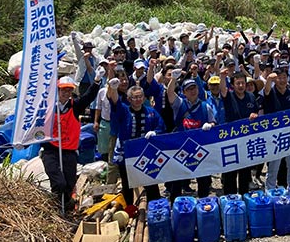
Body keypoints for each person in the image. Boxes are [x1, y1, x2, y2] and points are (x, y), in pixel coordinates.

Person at [42, 75, 99, 210]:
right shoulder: (48, 107)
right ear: (57, 91)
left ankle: (66, 206)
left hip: (68, 150)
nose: (66, 93)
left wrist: (96, 82)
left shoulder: (75, 106)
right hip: (51, 149)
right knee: (59, 183)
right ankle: (56, 206)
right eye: (63, 90)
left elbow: (88, 97)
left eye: (69, 90)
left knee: (69, 184)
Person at [108, 81, 165, 205]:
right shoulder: (124, 111)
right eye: (134, 97)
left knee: (150, 181)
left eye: (140, 96)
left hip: (146, 154)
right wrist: (113, 88)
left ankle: (155, 208)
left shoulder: (151, 112)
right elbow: (115, 102)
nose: (138, 99)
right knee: (127, 183)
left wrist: (155, 132)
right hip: (126, 153)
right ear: (129, 99)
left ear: (144, 97)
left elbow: (161, 126)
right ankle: (129, 209)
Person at [165, 71, 216, 199]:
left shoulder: (206, 107)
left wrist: (210, 125)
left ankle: (203, 204)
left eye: (194, 88)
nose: (192, 91)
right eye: (189, 89)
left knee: (203, 180)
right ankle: (176, 205)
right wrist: (173, 79)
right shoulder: (179, 104)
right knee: (177, 179)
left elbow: (213, 123)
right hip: (181, 148)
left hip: (200, 148)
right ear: (184, 92)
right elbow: (170, 93)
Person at [219, 70, 259, 194]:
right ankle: (229, 199)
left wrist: (255, 115)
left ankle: (243, 196)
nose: (241, 86)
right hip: (231, 139)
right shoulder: (229, 96)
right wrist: (222, 76)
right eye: (238, 83)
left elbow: (256, 112)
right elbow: (222, 89)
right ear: (233, 85)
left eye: (243, 83)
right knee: (230, 173)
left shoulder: (251, 96)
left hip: (246, 140)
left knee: (245, 172)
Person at [261, 62, 290, 190]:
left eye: (284, 77)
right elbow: (265, 91)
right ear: (275, 79)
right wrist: (269, 80)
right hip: (275, 136)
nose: (282, 80)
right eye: (279, 77)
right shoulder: (270, 92)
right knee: (273, 166)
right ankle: (270, 189)